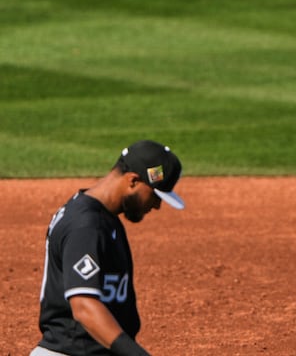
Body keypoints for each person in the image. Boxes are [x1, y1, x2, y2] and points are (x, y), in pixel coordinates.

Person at [32, 140, 185, 356]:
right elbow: (84, 306)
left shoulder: (102, 217)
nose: (157, 206)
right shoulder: (86, 225)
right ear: (133, 181)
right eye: (155, 195)